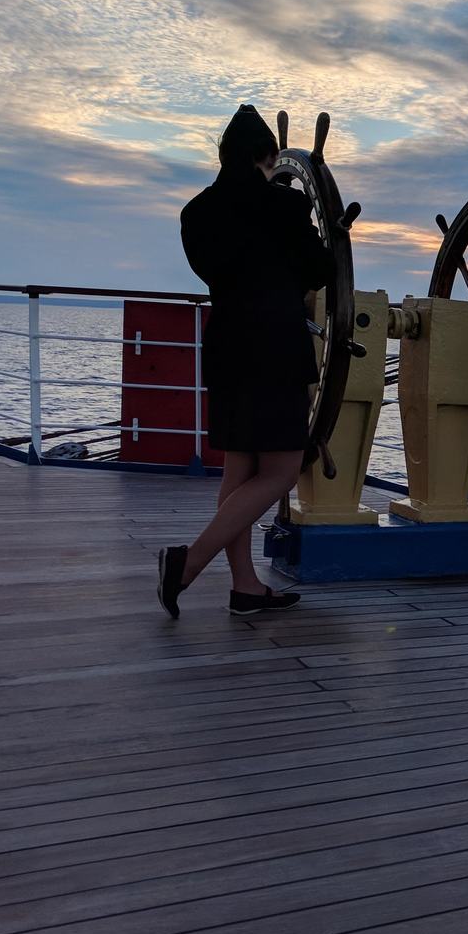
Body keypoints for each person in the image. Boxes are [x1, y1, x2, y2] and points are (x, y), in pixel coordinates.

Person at [156, 104, 331, 617]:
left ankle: (245, 587)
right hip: (275, 350)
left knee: (240, 473)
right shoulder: (285, 207)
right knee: (282, 470)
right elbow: (319, 269)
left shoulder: (197, 213)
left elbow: (211, 271)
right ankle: (186, 563)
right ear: (267, 156)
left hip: (228, 348)